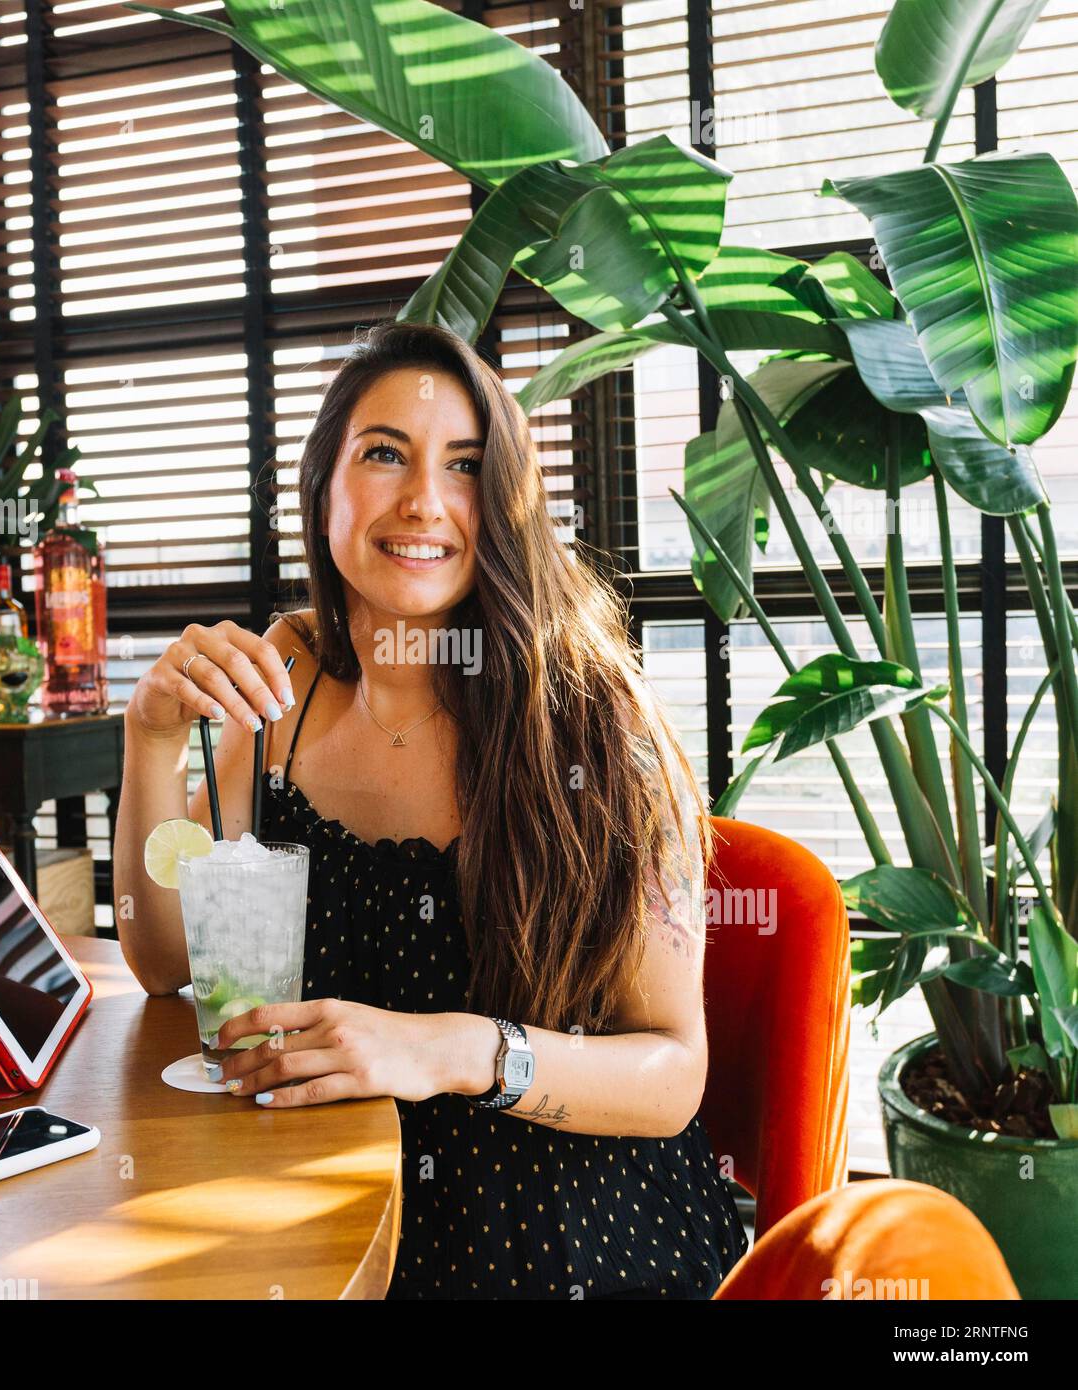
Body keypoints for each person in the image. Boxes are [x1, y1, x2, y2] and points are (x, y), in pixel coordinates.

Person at [113, 320, 748, 1299]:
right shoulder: (282, 682)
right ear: (321, 484)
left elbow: (670, 1078)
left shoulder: (594, 723)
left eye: (464, 465)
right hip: (317, 1191)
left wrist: (449, 1047)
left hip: (551, 1223)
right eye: (383, 455)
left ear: (504, 504)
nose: (422, 502)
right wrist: (150, 739)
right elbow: (168, 966)